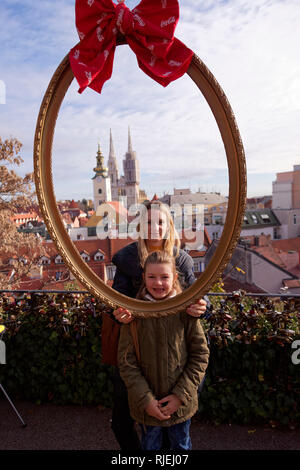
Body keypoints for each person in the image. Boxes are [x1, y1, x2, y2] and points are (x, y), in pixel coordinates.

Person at [102, 199, 208, 449]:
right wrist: (120, 312)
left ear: (168, 225)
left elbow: (197, 294)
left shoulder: (180, 260)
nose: (154, 227)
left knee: (176, 431)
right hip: (138, 346)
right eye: (148, 222)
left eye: (160, 222)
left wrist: (204, 306)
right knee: (124, 420)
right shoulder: (128, 258)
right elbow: (117, 298)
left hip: (173, 348)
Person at [118, 250, 209, 450]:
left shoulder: (186, 311)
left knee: (180, 447)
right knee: (150, 447)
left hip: (180, 406)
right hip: (146, 409)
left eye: (164, 277)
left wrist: (180, 396)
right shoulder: (135, 313)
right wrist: (146, 400)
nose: (158, 283)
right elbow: (126, 362)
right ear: (143, 278)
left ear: (175, 277)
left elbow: (200, 355)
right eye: (152, 277)